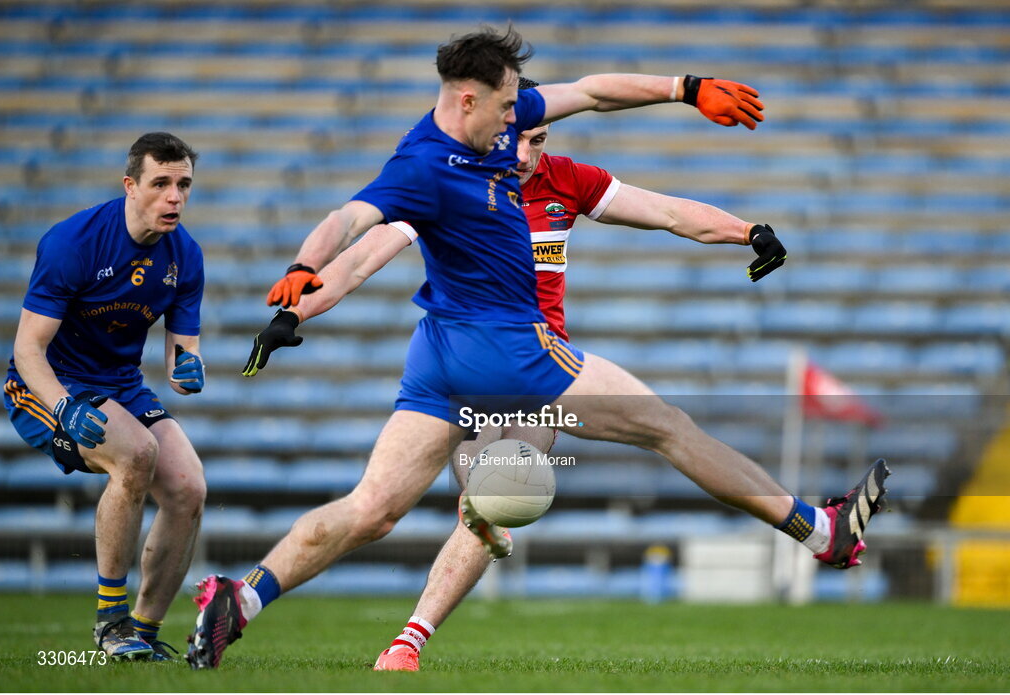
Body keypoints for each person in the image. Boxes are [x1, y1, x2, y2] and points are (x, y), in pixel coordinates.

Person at [186, 26, 888, 670]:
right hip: (509, 352)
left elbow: (589, 93)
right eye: (505, 107)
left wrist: (685, 88)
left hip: (438, 355)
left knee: (372, 507)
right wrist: (304, 276)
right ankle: (819, 531)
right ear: (469, 100)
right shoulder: (424, 168)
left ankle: (241, 599)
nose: (518, 119)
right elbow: (351, 223)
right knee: (666, 426)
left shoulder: (512, 133)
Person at [3, 132, 207, 662]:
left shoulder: (185, 256)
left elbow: (181, 359)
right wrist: (63, 407)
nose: (174, 197)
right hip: (48, 385)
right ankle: (109, 621)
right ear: (129, 186)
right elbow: (28, 350)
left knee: (189, 488)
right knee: (136, 454)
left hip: (121, 385)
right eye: (160, 183)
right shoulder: (73, 242)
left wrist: (188, 368)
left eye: (183, 184)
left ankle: (141, 630)